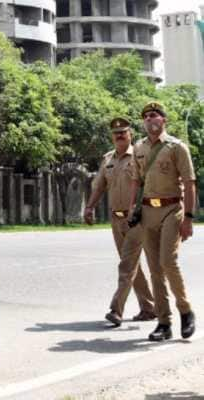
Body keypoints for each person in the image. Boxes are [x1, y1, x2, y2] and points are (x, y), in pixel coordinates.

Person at [127, 101, 196, 341]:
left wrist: (188, 218)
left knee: (168, 262)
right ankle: (164, 323)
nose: (149, 120)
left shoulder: (177, 147)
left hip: (172, 209)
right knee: (155, 269)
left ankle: (185, 310)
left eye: (154, 115)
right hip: (147, 212)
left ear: (163, 120)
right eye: (146, 117)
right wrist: (130, 208)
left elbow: (189, 183)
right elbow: (136, 181)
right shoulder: (138, 147)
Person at [84, 117, 155, 327]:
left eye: (123, 132)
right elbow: (98, 186)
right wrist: (89, 207)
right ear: (112, 137)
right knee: (132, 266)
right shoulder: (108, 160)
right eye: (116, 133)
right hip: (116, 219)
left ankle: (116, 309)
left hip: (137, 218)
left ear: (130, 134)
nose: (119, 136)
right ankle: (149, 308)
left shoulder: (141, 155)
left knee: (126, 265)